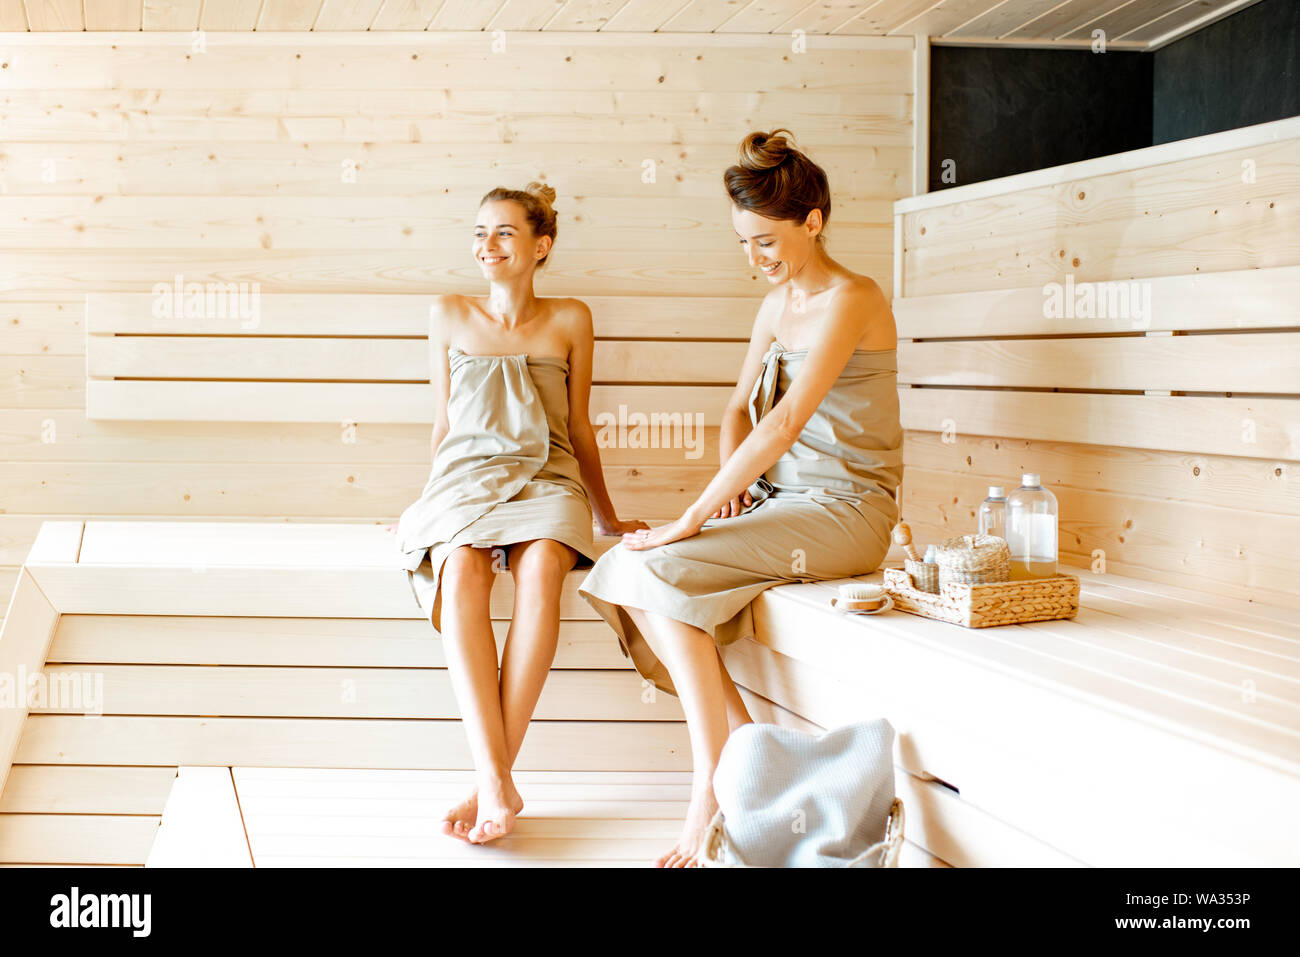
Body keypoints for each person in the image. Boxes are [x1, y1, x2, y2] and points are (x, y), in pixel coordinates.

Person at [578, 129, 904, 867]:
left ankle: (711, 785)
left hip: (847, 511)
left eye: (765, 242)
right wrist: (735, 491)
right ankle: (753, 760)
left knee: (648, 567)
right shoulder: (777, 306)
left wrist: (693, 515)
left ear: (812, 221)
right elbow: (738, 412)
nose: (754, 259)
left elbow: (786, 420)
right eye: (743, 243)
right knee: (627, 567)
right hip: (780, 504)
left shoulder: (854, 298)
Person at [391, 182, 648, 845]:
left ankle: (490, 780)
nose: (488, 245)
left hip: (549, 478)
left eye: (504, 232)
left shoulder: (570, 319)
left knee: (540, 577)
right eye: (480, 232)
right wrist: (427, 502)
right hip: (465, 479)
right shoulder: (447, 313)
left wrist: (607, 517)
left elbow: (582, 428)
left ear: (541, 246)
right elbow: (445, 424)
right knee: (462, 573)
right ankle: (498, 777)